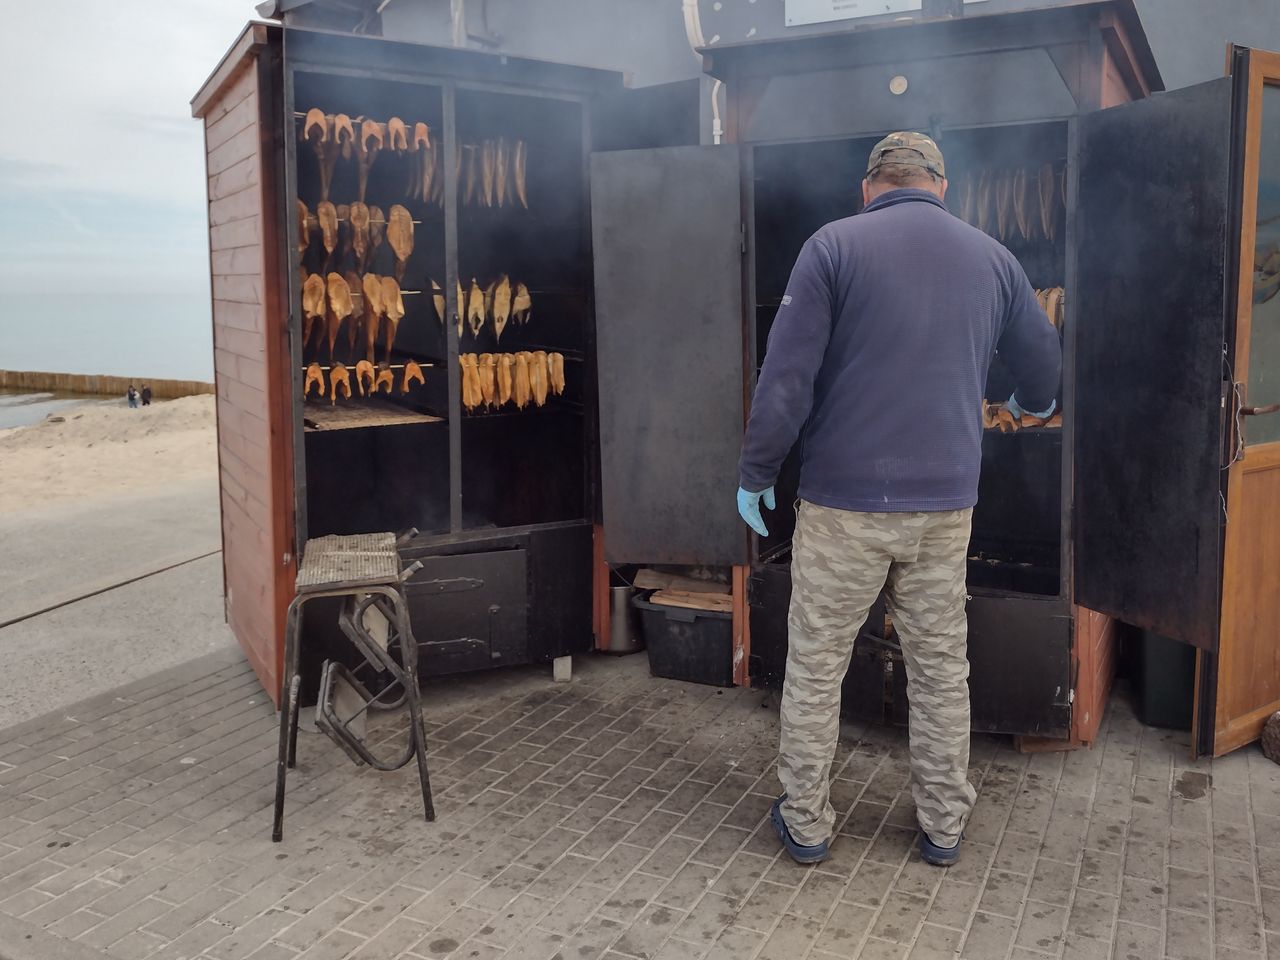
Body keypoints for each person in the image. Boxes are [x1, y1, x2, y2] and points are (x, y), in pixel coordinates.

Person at [737, 133, 1061, 867]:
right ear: (941, 186)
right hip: (945, 509)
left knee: (818, 666)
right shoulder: (992, 257)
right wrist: (1028, 400)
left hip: (845, 503)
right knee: (941, 668)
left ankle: (809, 823)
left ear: (869, 186)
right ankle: (944, 825)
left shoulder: (833, 248)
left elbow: (785, 379)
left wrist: (757, 471)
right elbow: (1043, 361)